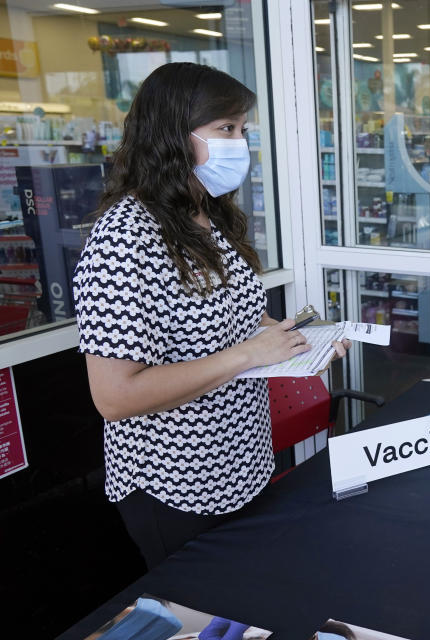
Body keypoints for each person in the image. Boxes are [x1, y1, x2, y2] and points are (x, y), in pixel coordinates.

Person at [73, 62, 349, 569]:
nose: (239, 143)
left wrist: (296, 344)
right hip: (177, 485)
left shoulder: (204, 215)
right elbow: (114, 396)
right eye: (226, 129)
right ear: (172, 135)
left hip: (241, 465)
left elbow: (227, 321)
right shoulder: (124, 238)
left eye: (242, 130)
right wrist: (248, 353)